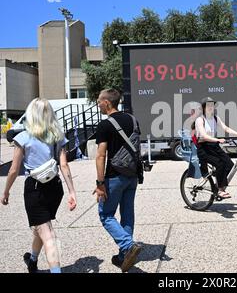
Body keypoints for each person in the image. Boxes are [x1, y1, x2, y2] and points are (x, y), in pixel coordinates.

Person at [0, 98, 77, 273]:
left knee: (48, 235)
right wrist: (72, 192)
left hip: (35, 189)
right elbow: (63, 165)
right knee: (41, 226)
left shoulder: (23, 137)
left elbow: (13, 169)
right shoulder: (58, 136)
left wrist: (5, 192)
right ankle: (32, 260)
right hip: (55, 188)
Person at [94, 88, 142, 272]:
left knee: (106, 215)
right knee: (127, 214)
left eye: (99, 101)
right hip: (132, 175)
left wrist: (100, 184)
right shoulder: (132, 119)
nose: (98, 104)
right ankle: (124, 257)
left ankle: (128, 246)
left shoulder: (105, 125)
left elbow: (100, 156)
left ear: (107, 102)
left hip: (114, 177)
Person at [195, 97, 237, 199]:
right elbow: (204, 136)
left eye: (212, 105)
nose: (211, 107)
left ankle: (217, 183)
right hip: (204, 148)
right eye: (208, 105)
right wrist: (218, 140)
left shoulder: (215, 118)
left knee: (229, 165)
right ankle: (220, 190)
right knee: (220, 164)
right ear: (203, 107)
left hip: (214, 146)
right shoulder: (200, 119)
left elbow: (226, 128)